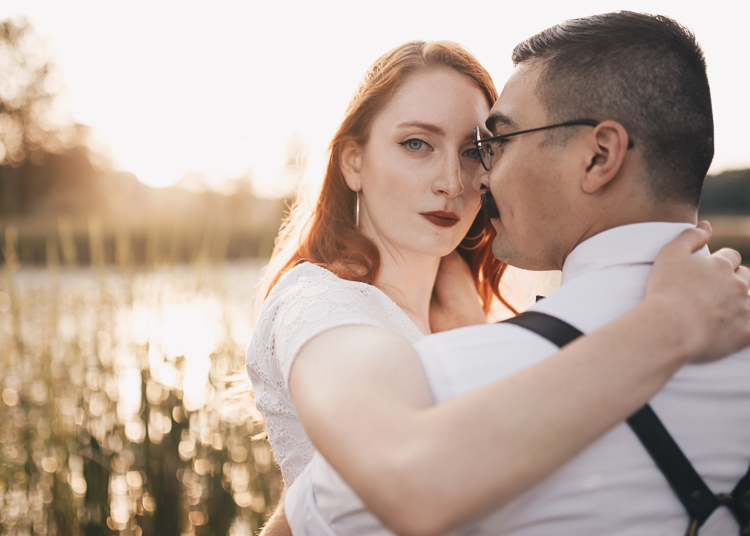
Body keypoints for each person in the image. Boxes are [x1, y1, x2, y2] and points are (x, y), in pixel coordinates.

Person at [246, 37, 750, 535]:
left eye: (475, 150)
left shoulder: (468, 317)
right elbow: (395, 474)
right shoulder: (319, 301)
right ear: (353, 161)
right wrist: (671, 323)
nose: (454, 181)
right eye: (416, 144)